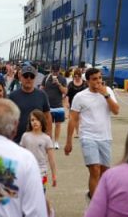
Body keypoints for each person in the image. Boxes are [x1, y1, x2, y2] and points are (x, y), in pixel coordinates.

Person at [65, 67, 120, 198]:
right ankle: (95, 206)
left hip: (105, 137)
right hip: (88, 137)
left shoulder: (108, 92)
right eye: (95, 79)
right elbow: (73, 119)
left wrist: (105, 95)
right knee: (95, 169)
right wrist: (69, 141)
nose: (98, 81)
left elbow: (116, 111)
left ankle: (93, 195)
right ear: (88, 81)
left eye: (100, 78)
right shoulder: (80, 97)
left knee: (104, 172)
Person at [20, 109, 58, 217]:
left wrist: (54, 175)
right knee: (27, 193)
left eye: (37, 120)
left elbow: (51, 159)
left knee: (40, 194)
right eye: (32, 120)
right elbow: (21, 154)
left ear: (42, 121)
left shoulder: (46, 138)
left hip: (42, 171)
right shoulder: (25, 136)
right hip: (27, 170)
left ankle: (46, 212)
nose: (34, 122)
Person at [8, 61, 51, 144]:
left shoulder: (42, 95)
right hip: (17, 141)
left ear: (35, 78)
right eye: (26, 76)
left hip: (38, 141)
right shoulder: (12, 96)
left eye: (31, 76)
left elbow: (47, 116)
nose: (28, 78)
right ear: (20, 77)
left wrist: (49, 135)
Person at [41, 63, 68, 148]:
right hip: (47, 105)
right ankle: (49, 141)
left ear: (59, 70)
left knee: (58, 124)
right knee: (48, 125)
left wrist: (58, 84)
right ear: (51, 70)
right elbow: (41, 88)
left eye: (56, 71)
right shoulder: (46, 78)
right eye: (53, 71)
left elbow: (65, 92)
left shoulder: (62, 79)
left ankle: (56, 142)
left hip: (58, 105)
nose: (55, 73)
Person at [67, 67, 88, 137]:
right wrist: (67, 103)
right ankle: (77, 132)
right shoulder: (70, 84)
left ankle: (81, 131)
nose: (77, 77)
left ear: (80, 76)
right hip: (72, 104)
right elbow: (67, 95)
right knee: (74, 119)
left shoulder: (85, 83)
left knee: (82, 118)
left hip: (83, 103)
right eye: (75, 76)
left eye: (78, 76)